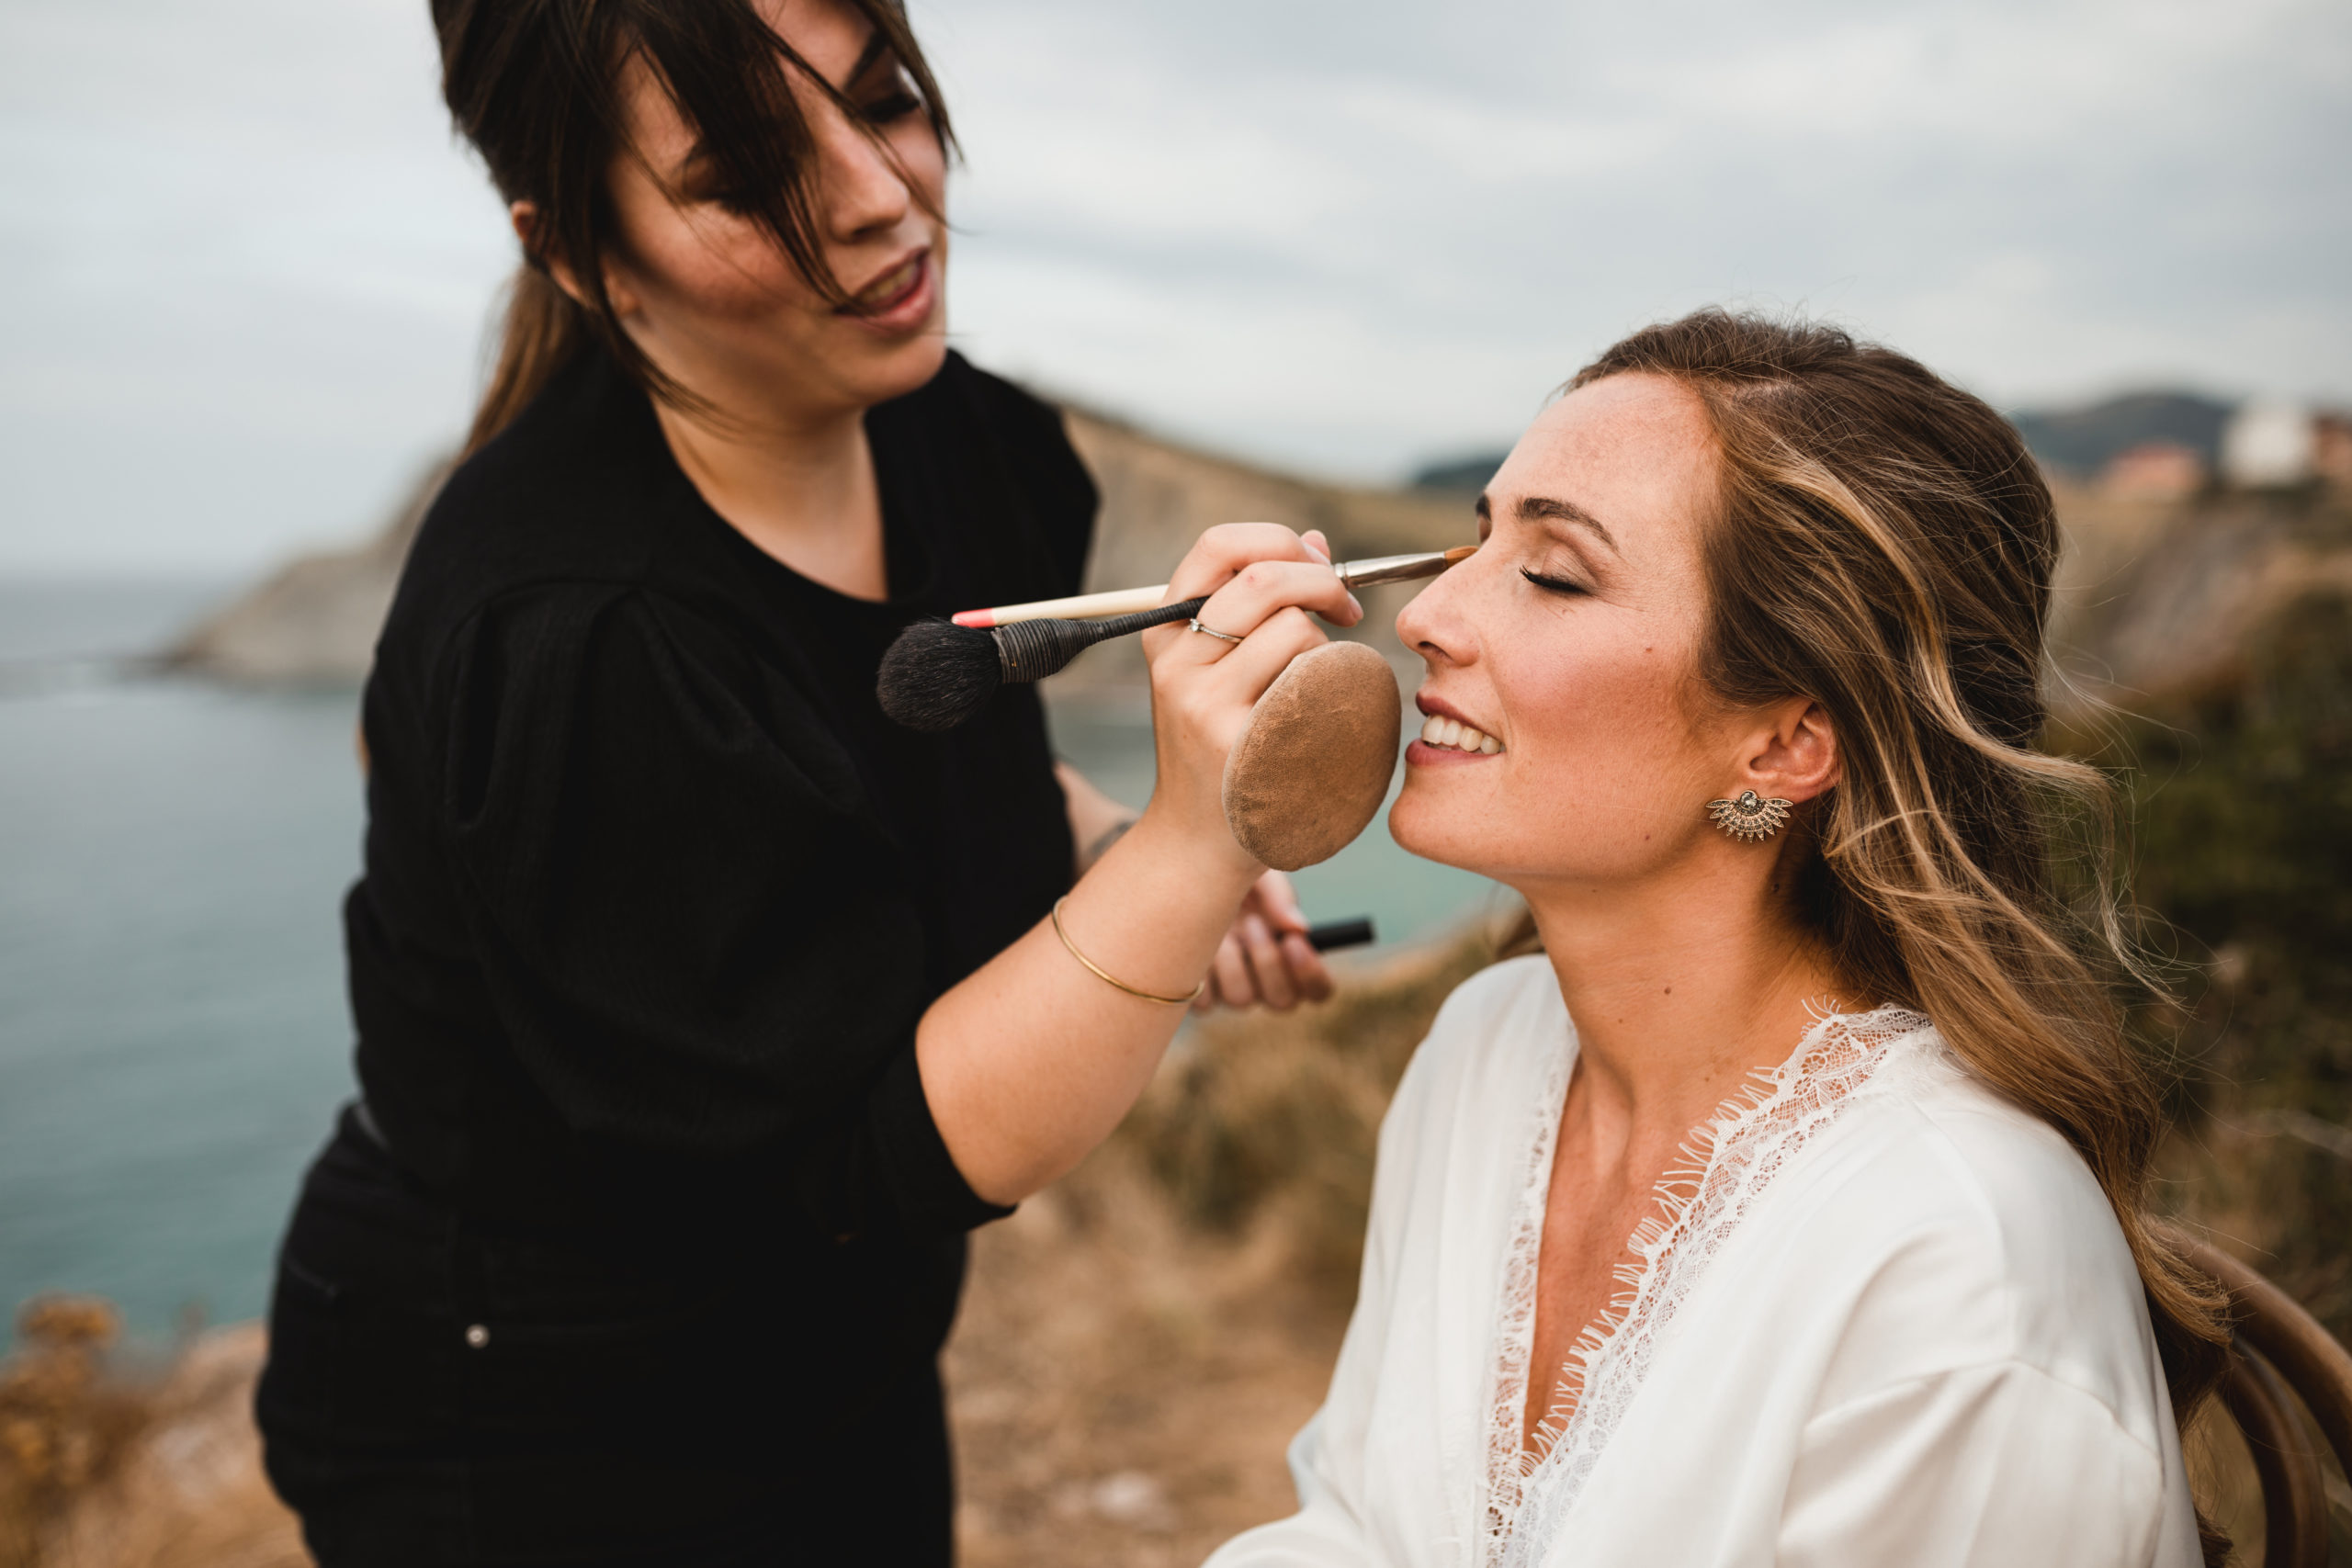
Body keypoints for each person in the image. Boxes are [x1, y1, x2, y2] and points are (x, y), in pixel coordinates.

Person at [254, 2, 1353, 1562]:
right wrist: (1186, 851)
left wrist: (1124, 848)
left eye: (886, 97)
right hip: (536, 1425)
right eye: (745, 169)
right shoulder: (584, 641)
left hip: (833, 1353)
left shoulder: (976, 445)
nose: (878, 193)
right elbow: (886, 1148)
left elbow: (941, 797)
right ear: (577, 248)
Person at [1206, 310, 2234, 1568]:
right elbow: (1355, 1526)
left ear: (1788, 742)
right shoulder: (1489, 1050)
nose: (1426, 615)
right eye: (1474, 538)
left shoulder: (1957, 1270)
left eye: (1551, 573)